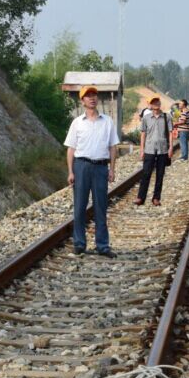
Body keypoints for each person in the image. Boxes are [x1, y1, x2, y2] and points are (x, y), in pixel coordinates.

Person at [64, 85, 119, 258]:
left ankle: (102, 245)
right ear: (82, 101)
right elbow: (71, 149)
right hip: (81, 166)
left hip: (101, 167)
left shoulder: (107, 121)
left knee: (100, 206)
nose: (92, 98)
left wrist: (112, 169)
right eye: (88, 96)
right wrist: (71, 172)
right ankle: (79, 244)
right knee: (80, 207)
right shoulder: (77, 123)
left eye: (94, 95)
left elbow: (113, 147)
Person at [135, 96, 172, 206]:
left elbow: (170, 132)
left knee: (160, 175)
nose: (156, 104)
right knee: (146, 174)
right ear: (150, 105)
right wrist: (141, 149)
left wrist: (170, 148)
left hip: (163, 150)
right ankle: (140, 198)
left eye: (157, 101)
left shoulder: (167, 117)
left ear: (160, 103)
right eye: (153, 102)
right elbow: (143, 134)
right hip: (149, 149)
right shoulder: (146, 118)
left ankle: (156, 198)